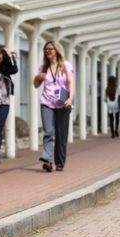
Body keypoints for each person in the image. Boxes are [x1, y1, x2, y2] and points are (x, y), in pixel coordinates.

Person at [33, 41, 74, 172]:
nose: (48, 51)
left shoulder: (66, 65)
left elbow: (71, 82)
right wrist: (38, 77)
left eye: (50, 49)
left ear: (56, 50)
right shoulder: (44, 67)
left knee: (61, 134)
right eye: (46, 49)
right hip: (47, 103)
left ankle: (60, 162)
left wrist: (70, 98)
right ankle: (47, 160)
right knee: (49, 131)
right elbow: (36, 85)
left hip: (63, 103)